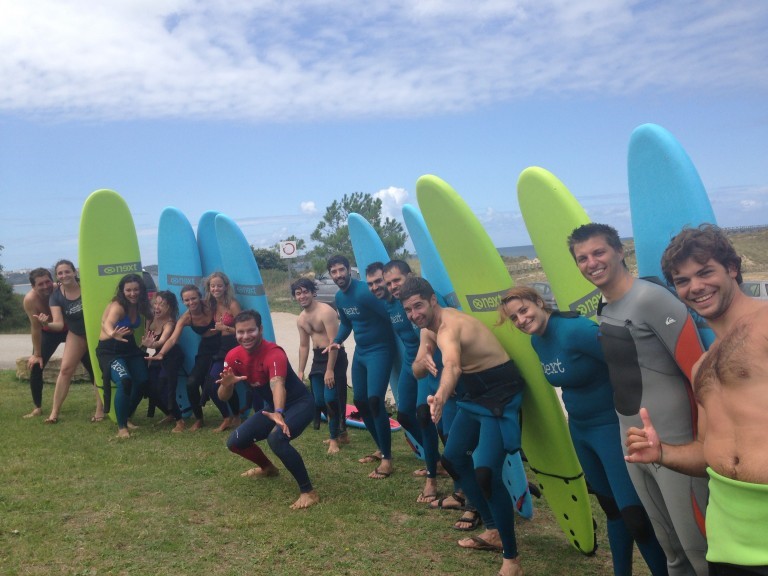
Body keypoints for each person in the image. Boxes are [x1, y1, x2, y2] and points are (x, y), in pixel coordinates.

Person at [626, 224, 768, 575]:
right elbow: (707, 448)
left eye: (705, 272)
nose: (696, 287)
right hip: (727, 542)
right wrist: (662, 454)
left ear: (732, 268)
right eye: (683, 280)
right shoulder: (703, 365)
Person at [568, 223, 708, 576]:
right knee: (670, 547)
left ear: (619, 251)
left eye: (598, 252)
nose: (591, 263)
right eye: (582, 258)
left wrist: (704, 441)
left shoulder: (652, 298)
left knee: (699, 549)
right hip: (633, 438)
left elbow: (700, 374)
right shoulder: (605, 304)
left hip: (675, 438)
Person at [499, 286, 668, 576]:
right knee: (611, 510)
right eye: (514, 318)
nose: (521, 320)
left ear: (539, 302)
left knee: (635, 517)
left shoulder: (575, 329)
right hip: (581, 430)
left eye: (524, 310)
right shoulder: (538, 342)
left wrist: (641, 413)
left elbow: (629, 360)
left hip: (612, 428)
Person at [400, 276, 525, 576]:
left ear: (433, 300)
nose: (414, 314)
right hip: (474, 396)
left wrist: (441, 396)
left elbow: (453, 365)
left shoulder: (448, 326)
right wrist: (425, 358)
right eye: (407, 310)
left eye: (418, 306)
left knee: (485, 472)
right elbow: (417, 370)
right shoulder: (427, 330)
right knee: (453, 458)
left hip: (500, 394)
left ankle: (512, 560)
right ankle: (492, 529)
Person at [218, 310, 319, 510]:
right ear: (235, 333)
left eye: (250, 331)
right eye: (240, 332)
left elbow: (277, 384)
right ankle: (267, 468)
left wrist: (279, 412)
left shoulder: (274, 353)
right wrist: (228, 384)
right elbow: (223, 397)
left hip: (300, 404)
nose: (245, 336)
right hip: (272, 408)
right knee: (235, 442)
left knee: (277, 438)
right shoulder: (233, 356)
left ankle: (308, 491)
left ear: (260, 330)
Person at [369, 261, 441, 504]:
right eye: (388, 283)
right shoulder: (391, 305)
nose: (392, 286)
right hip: (412, 365)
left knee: (423, 415)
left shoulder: (424, 301)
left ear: (409, 276)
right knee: (404, 416)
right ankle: (437, 460)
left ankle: (432, 476)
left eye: (396, 281)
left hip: (430, 364)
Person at [323, 255, 396, 479]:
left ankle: (387, 459)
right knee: (361, 402)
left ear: (349, 270)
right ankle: (380, 447)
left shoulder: (365, 291)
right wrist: (337, 340)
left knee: (375, 400)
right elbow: (346, 322)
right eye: (333, 272)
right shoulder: (339, 297)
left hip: (381, 350)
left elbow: (390, 314)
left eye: (341, 270)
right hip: (362, 352)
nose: (338, 275)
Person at [292, 277, 349, 455]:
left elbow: (334, 342)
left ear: (313, 292)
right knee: (318, 400)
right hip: (318, 359)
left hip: (334, 357)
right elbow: (303, 346)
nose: (302, 296)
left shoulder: (326, 311)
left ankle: (334, 439)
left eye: (305, 291)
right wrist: (300, 371)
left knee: (331, 399)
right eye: (298, 293)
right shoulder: (301, 319)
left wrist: (330, 369)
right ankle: (342, 431)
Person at [38, 260, 99, 424]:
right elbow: (58, 324)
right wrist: (46, 324)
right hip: (76, 334)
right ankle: (54, 413)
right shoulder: (56, 296)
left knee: (98, 371)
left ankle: (100, 411)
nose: (64, 275)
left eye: (67, 271)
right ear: (57, 276)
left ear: (74, 272)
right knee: (65, 370)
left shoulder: (87, 286)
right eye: (60, 273)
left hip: (95, 332)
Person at [151, 284, 217, 431]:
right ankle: (199, 418)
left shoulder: (211, 306)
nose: (191, 302)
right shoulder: (186, 318)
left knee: (215, 383)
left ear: (200, 297)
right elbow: (173, 339)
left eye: (193, 298)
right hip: (206, 349)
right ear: (183, 301)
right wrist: (161, 353)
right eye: (186, 300)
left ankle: (232, 417)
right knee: (191, 383)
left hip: (223, 345)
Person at [95, 273, 151, 438]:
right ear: (122, 291)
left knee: (142, 381)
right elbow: (107, 323)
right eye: (128, 290)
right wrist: (113, 334)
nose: (133, 293)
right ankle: (122, 428)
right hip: (110, 350)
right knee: (125, 380)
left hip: (129, 348)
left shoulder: (140, 304)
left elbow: (152, 316)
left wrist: (153, 332)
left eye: (136, 289)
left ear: (141, 290)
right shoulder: (118, 306)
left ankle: (126, 417)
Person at [202, 272, 243, 433]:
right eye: (213, 286)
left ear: (226, 287)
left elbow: (242, 331)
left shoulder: (232, 304)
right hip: (221, 348)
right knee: (213, 382)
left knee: (228, 382)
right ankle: (227, 416)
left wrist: (224, 328)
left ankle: (237, 417)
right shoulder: (210, 304)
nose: (216, 288)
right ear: (209, 288)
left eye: (219, 285)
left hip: (234, 347)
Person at [22, 268, 66, 418]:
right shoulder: (30, 300)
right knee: (36, 365)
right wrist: (37, 354)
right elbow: (35, 328)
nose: (46, 286)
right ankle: (37, 407)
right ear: (33, 286)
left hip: (68, 329)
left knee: (89, 361)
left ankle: (102, 403)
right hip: (47, 332)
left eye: (48, 281)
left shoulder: (59, 288)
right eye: (40, 284)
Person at [141, 290, 186, 432]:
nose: (157, 307)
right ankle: (170, 414)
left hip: (171, 356)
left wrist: (152, 345)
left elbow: (162, 341)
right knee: (150, 388)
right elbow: (147, 340)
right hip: (154, 356)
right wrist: (147, 347)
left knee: (164, 388)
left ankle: (180, 420)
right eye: (156, 303)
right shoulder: (150, 319)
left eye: (162, 305)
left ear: (170, 308)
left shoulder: (170, 323)